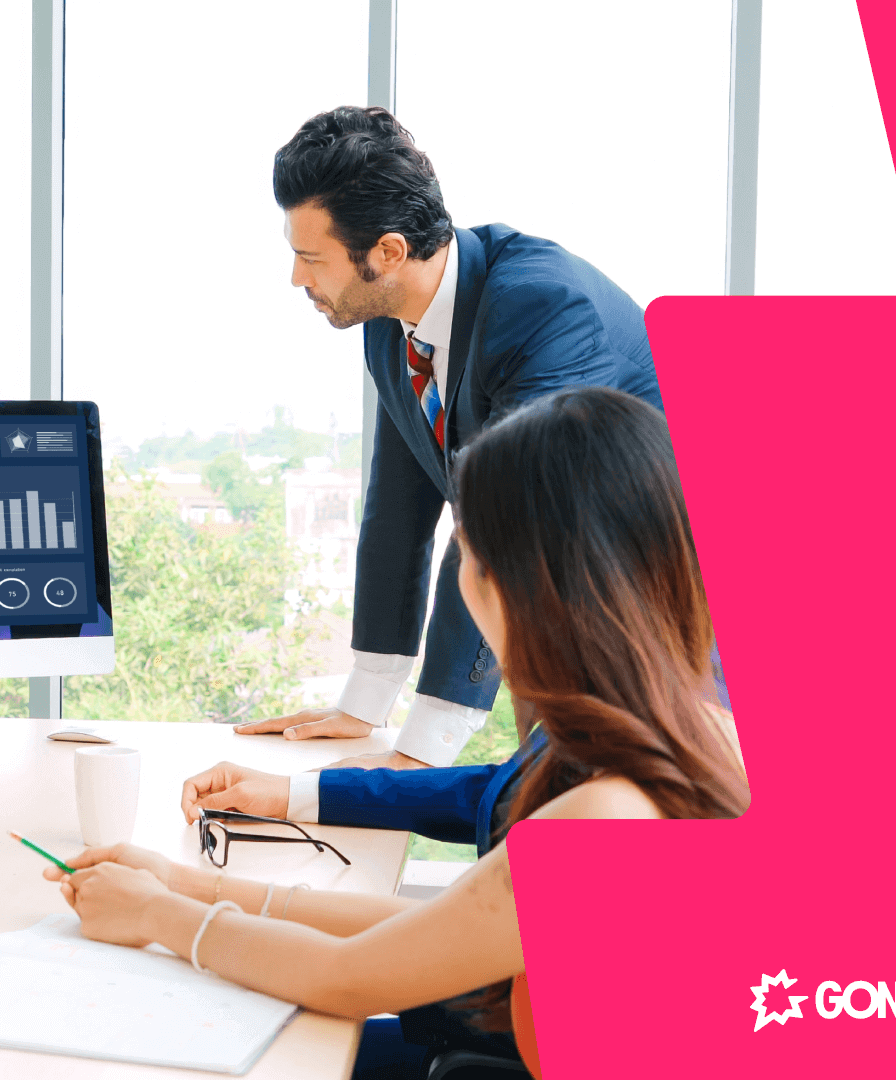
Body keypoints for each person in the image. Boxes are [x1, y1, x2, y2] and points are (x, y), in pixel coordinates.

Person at [47, 388, 747, 1079]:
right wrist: (181, 887)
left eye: (467, 557)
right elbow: (443, 926)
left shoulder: (605, 817)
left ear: (516, 585)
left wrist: (164, 918)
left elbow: (350, 978)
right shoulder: (701, 739)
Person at [233, 105, 665, 771]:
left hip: (663, 607)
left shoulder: (542, 307)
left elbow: (498, 524)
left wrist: (422, 743)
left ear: (388, 252)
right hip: (556, 595)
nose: (298, 279)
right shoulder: (386, 319)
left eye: (310, 258)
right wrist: (366, 700)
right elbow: (397, 506)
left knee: (614, 817)